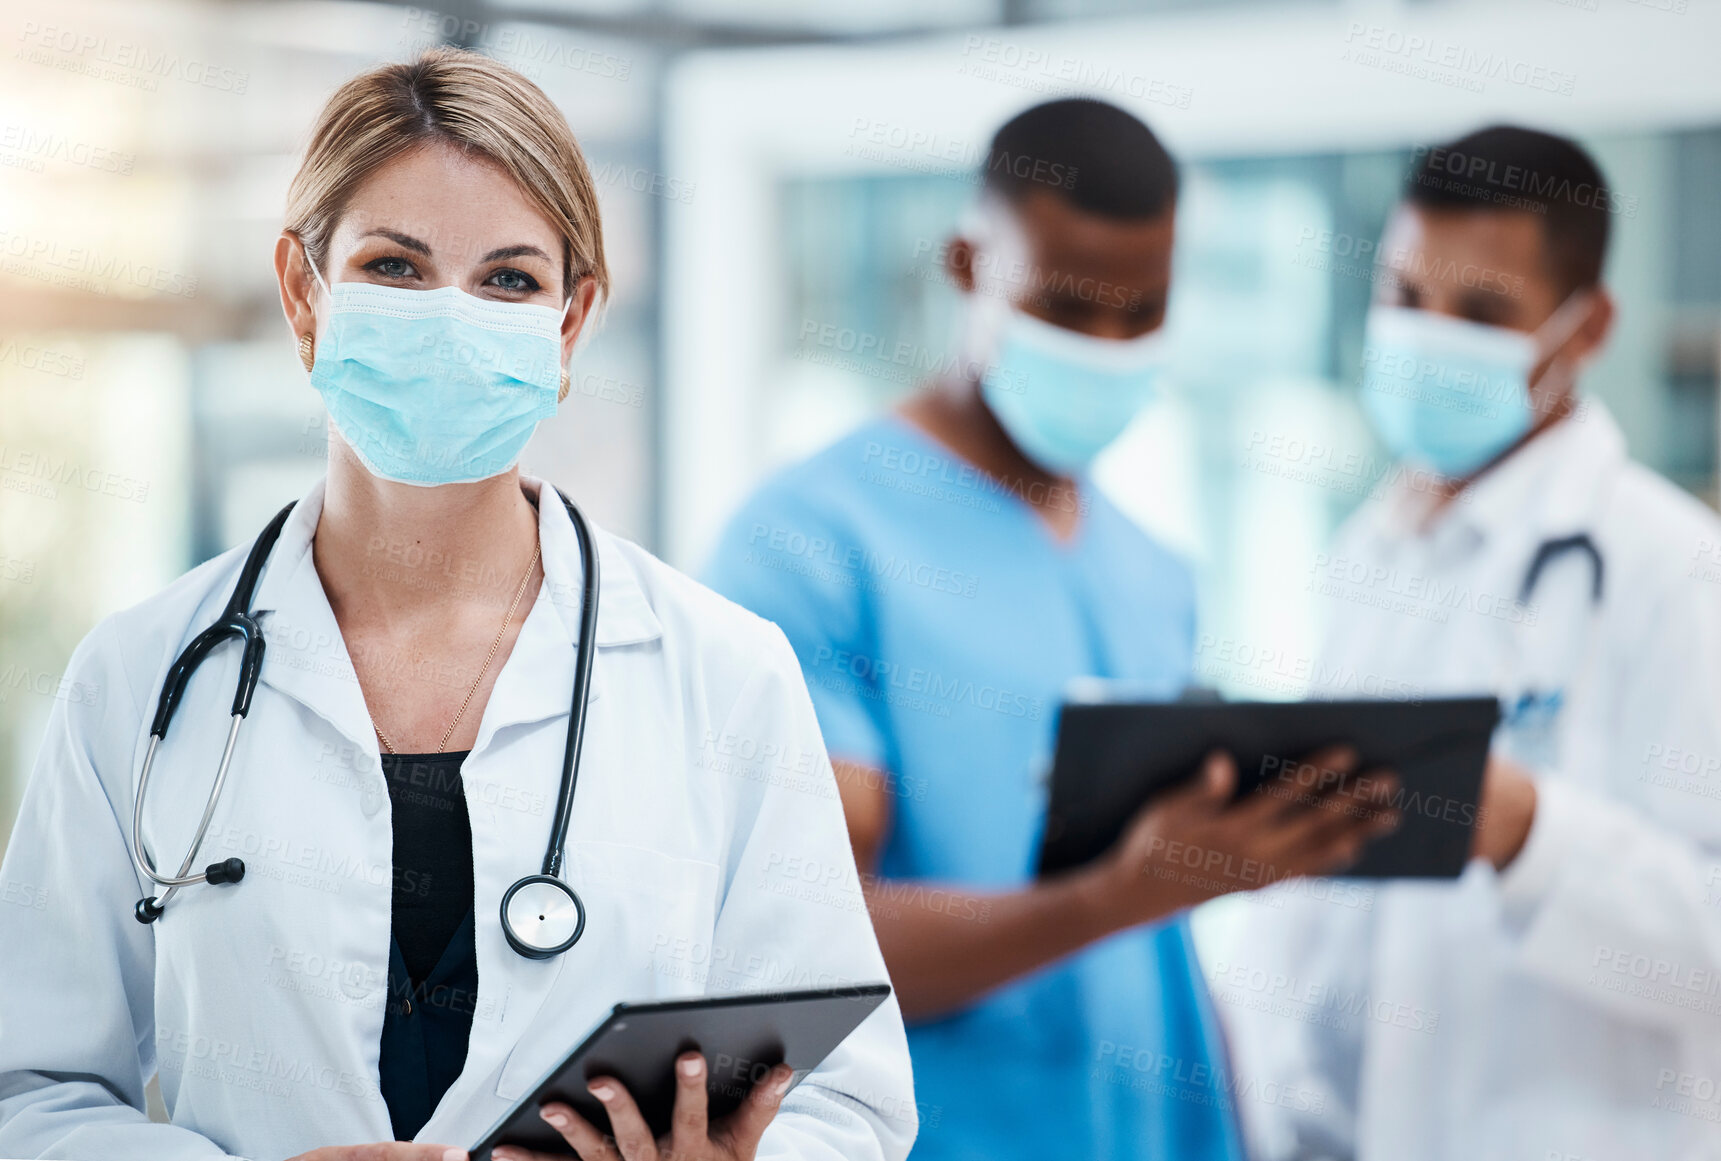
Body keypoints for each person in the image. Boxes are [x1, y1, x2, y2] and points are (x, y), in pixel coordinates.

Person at [0, 49, 914, 1161]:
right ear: (304, 291)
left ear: (570, 324)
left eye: (509, 281)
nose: (449, 319)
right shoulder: (139, 675)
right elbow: (29, 1090)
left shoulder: (724, 671)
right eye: (393, 266)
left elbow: (846, 1107)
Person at [701, 98, 1394, 1161]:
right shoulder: (809, 541)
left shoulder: (1152, 568)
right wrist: (1108, 898)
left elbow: (1154, 951)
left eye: (1142, 311)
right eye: (1068, 307)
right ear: (968, 263)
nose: (1108, 346)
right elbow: (801, 957)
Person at [1215, 126, 1721, 1161]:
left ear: (1586, 330)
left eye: (1481, 313)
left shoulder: (1673, 574)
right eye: (1404, 299)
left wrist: (1524, 831)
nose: (1426, 337)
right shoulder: (1373, 545)